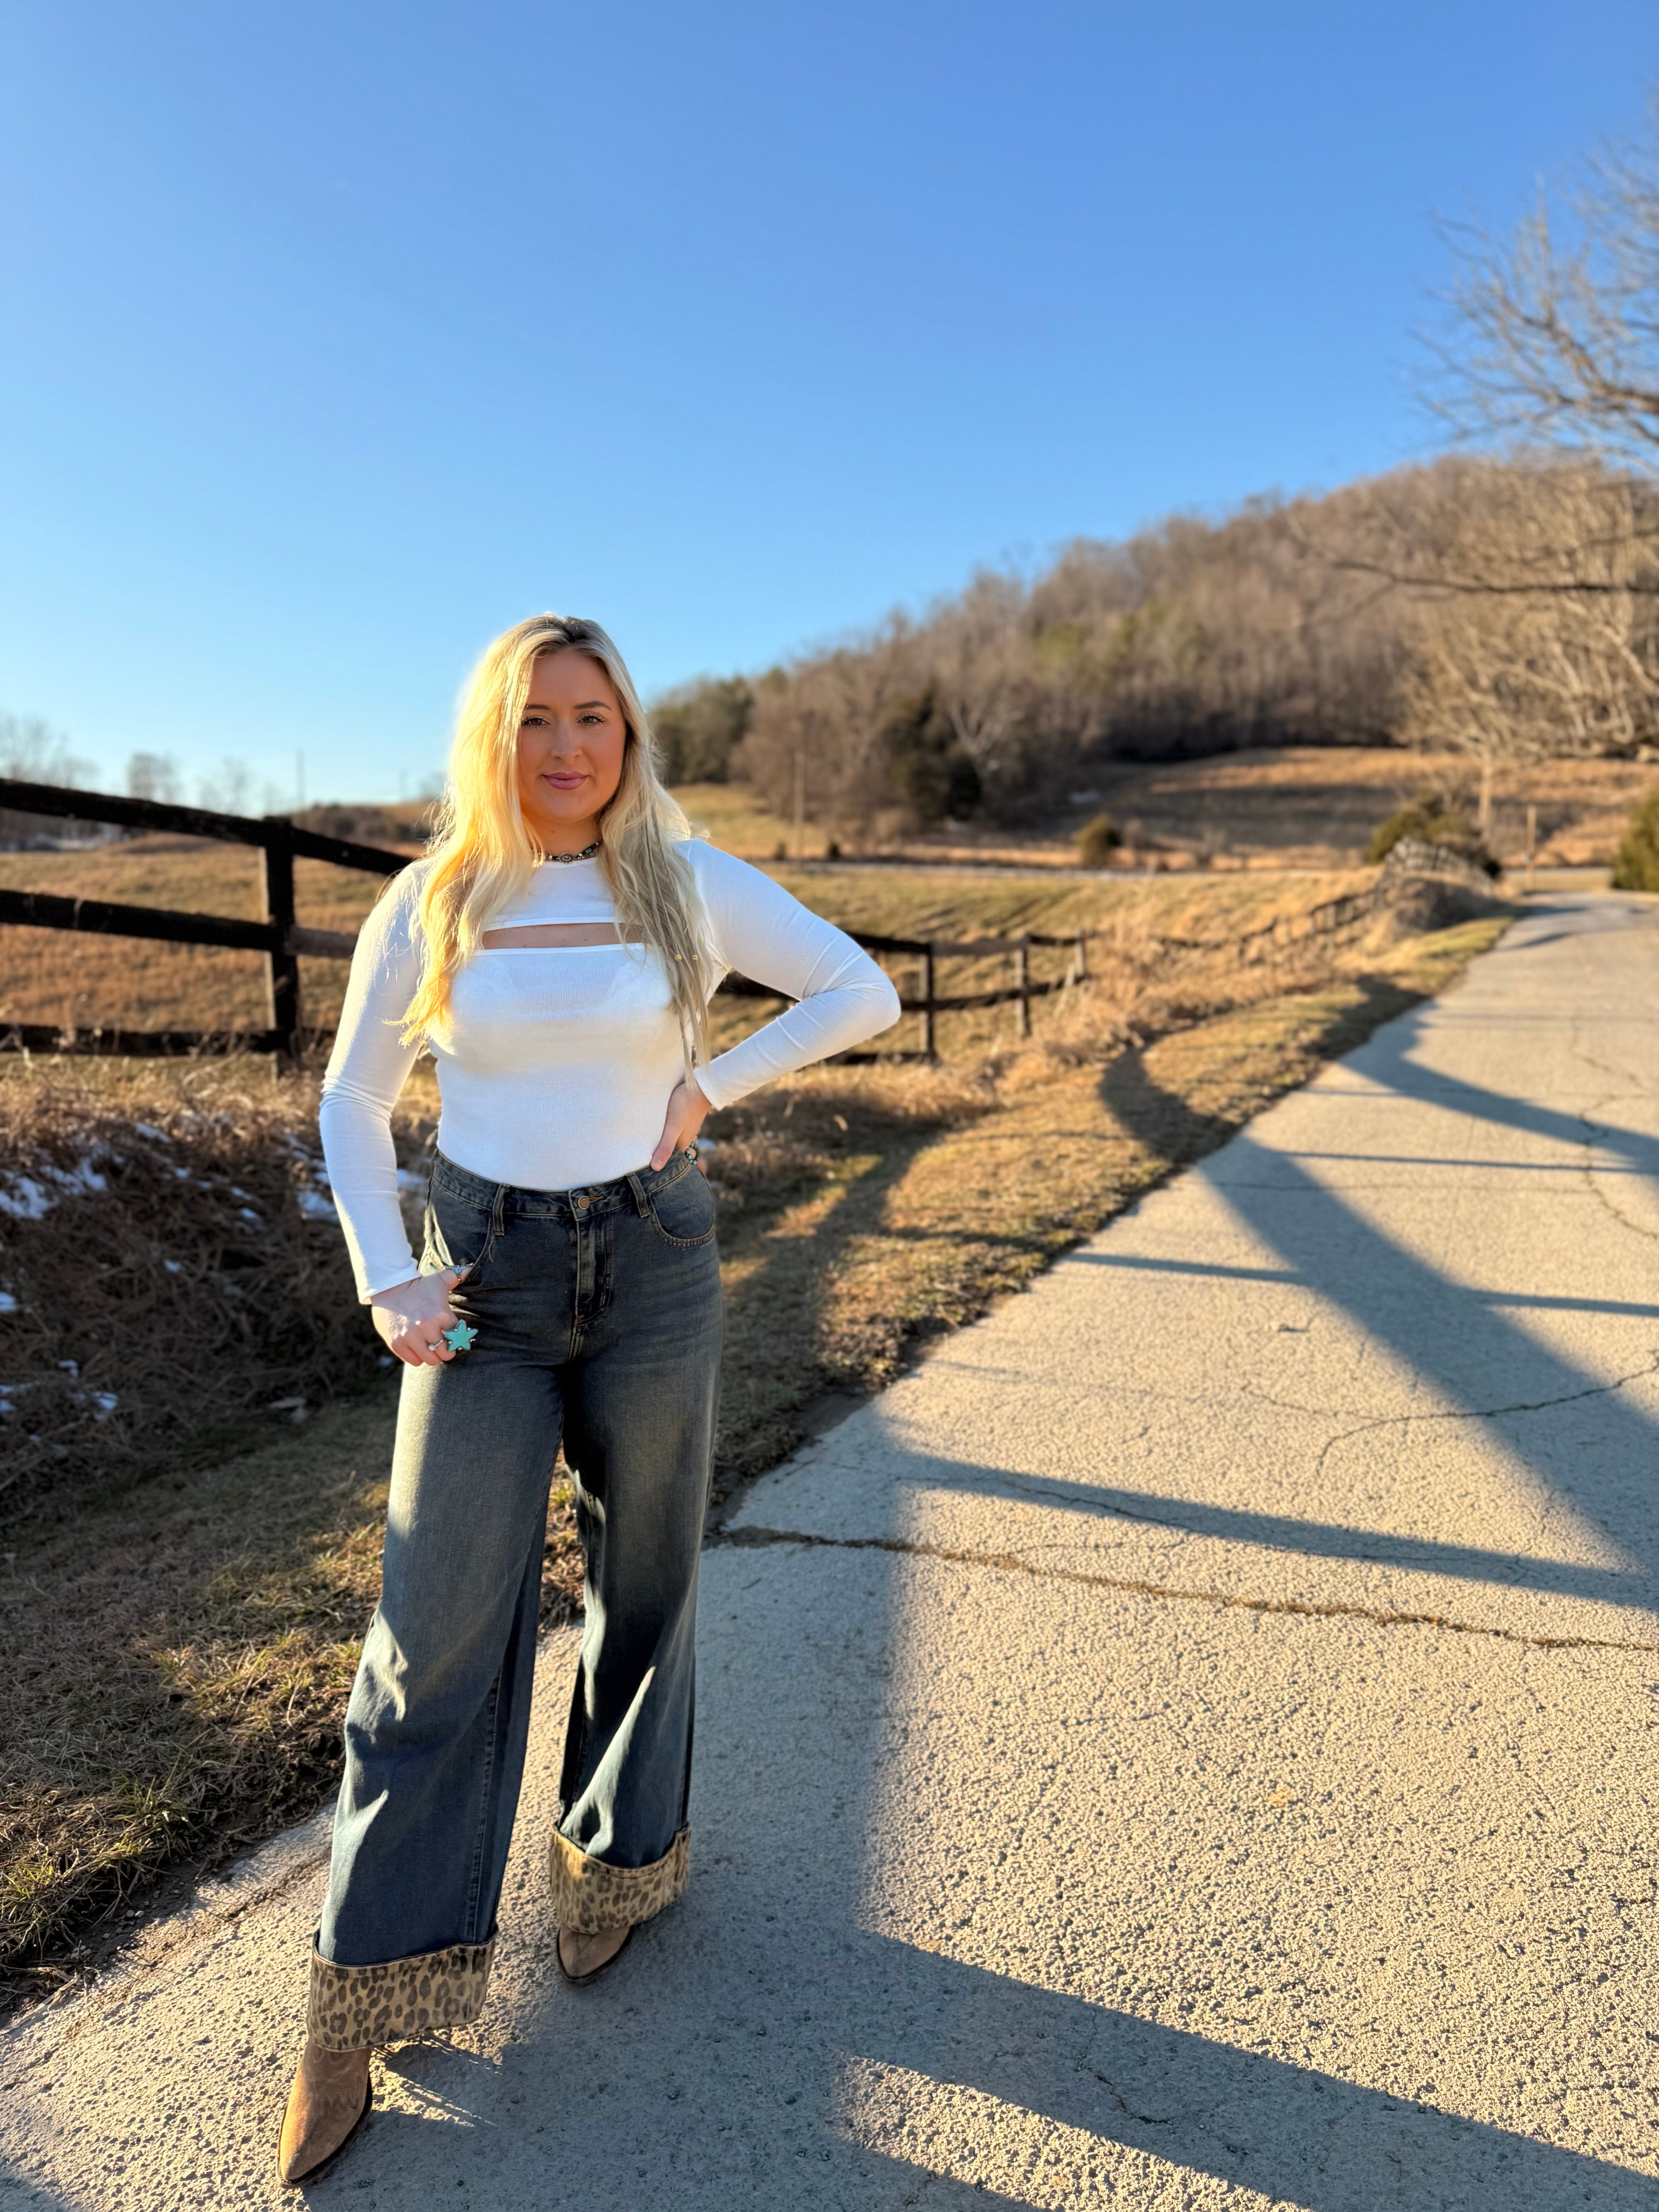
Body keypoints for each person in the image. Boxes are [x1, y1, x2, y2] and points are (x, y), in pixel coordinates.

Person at [277, 614, 900, 2183]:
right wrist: (385, 1276)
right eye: (539, 719)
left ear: (629, 737)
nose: (568, 746)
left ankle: (613, 1869)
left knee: (648, 1577)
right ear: (495, 738)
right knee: (432, 1630)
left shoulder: (680, 884)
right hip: (482, 1281)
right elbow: (354, 1102)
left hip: (656, 1263)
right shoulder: (436, 900)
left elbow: (857, 992)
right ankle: (366, 1993)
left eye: (596, 718)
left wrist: (708, 1088)